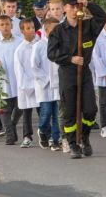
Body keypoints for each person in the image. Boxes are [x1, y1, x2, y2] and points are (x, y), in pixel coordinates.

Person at [47, 0, 106, 159]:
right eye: (72, 6)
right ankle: (73, 143)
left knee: (90, 109)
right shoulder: (58, 30)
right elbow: (51, 53)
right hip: (68, 73)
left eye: (78, 6)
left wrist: (88, 4)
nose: (75, 9)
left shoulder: (87, 26)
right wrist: (70, 58)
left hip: (85, 73)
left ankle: (85, 137)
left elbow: (103, 17)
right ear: (64, 8)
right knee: (69, 111)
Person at [0, 15, 23, 145]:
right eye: (2, 25)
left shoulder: (19, 41)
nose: (5, 27)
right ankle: (9, 133)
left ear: (12, 25)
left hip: (17, 78)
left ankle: (13, 124)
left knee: (20, 106)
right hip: (3, 79)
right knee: (4, 108)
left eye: (7, 24)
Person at [33, 18, 62, 151]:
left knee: (57, 114)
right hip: (44, 86)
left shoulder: (62, 44)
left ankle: (54, 139)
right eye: (54, 29)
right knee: (46, 112)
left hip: (58, 84)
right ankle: (42, 130)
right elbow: (34, 66)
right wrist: (46, 79)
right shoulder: (38, 46)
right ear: (46, 30)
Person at [13, 18, 40, 148]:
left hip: (41, 84)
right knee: (27, 112)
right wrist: (28, 86)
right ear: (22, 31)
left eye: (33, 28)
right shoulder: (19, 50)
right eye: (28, 28)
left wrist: (40, 82)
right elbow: (19, 72)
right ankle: (27, 136)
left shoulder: (40, 45)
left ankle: (46, 133)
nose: (32, 30)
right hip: (27, 86)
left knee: (43, 110)